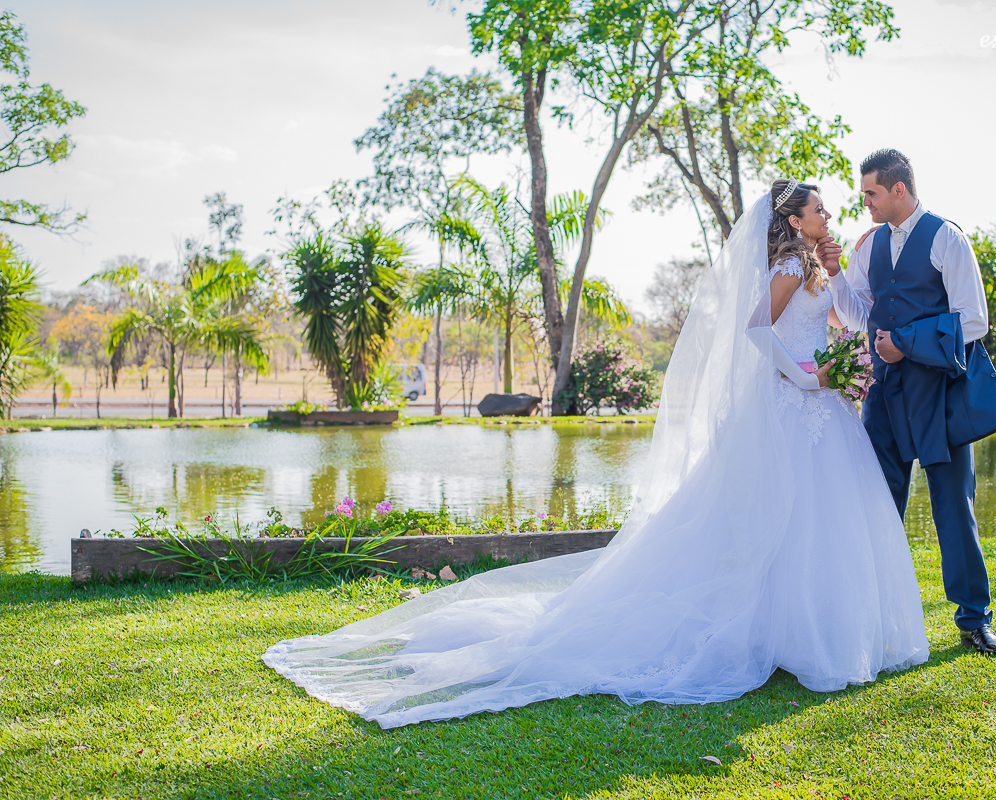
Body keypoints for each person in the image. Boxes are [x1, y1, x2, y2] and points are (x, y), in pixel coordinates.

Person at [262, 182, 930, 728]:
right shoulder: (784, 267)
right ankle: (783, 635)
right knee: (786, 518)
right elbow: (757, 331)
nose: (828, 217)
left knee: (820, 522)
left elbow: (840, 320)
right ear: (792, 219)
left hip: (824, 413)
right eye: (818, 210)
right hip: (798, 404)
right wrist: (808, 376)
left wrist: (838, 316)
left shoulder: (812, 266)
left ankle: (809, 633)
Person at [815, 148, 996, 657]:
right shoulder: (869, 246)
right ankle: (870, 620)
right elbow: (859, 317)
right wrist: (834, 273)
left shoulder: (948, 238)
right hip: (884, 397)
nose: (866, 203)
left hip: (941, 395)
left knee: (954, 507)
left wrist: (906, 342)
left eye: (872, 193)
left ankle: (974, 620)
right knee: (878, 505)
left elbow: (974, 319)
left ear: (898, 189)